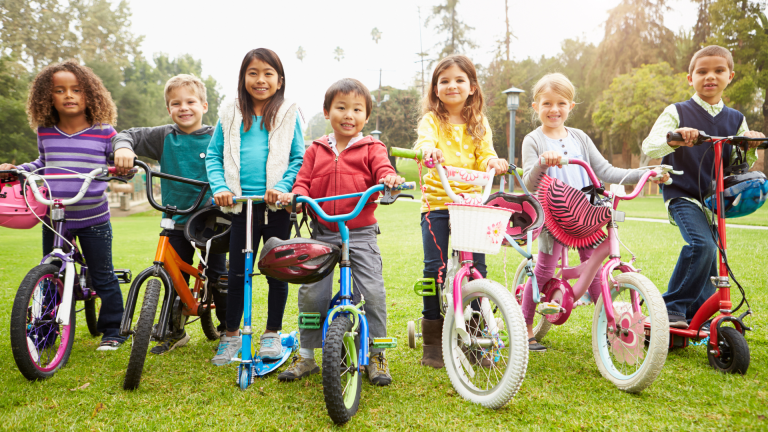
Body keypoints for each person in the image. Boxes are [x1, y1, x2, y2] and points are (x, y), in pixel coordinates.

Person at [275, 78, 403, 386]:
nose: (349, 115)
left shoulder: (372, 147)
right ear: (327, 111)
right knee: (311, 294)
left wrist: (389, 178)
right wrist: (295, 195)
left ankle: (377, 355)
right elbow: (303, 181)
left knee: (371, 293)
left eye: (357, 109)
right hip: (322, 231)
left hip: (360, 232)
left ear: (366, 117)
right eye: (341, 108)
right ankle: (305, 356)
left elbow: (383, 169)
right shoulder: (316, 149)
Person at [521, 73, 658, 352]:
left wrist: (647, 172)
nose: (554, 109)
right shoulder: (533, 140)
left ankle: (609, 327)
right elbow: (527, 182)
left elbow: (606, 171)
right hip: (550, 214)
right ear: (536, 107)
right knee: (545, 268)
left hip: (586, 212)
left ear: (571, 106)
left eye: (561, 103)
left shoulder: (580, 138)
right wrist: (542, 164)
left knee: (595, 268)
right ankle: (524, 325)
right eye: (547, 103)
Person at [0, 60, 127, 350]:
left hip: (93, 216)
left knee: (103, 275)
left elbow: (117, 161)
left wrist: (123, 166)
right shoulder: (46, 131)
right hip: (55, 216)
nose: (68, 95)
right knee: (51, 274)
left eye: (76, 89)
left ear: (90, 95)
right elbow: (44, 163)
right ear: (48, 97)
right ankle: (46, 330)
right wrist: (18, 169)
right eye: (60, 90)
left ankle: (113, 331)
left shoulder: (103, 131)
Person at [642, 45, 765, 329]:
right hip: (682, 193)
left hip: (715, 199)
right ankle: (671, 308)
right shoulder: (678, 111)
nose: (710, 76)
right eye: (702, 71)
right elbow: (650, 144)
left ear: (730, 76)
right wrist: (675, 138)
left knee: (716, 256)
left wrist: (750, 142)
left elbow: (743, 163)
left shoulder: (735, 119)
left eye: (718, 71)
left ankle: (698, 316)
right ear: (690, 78)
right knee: (702, 245)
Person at [112, 74, 227, 354]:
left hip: (211, 218)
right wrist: (124, 148)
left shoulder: (217, 137)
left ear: (204, 106)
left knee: (219, 274)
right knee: (175, 275)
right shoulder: (163, 136)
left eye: (191, 102)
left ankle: (228, 330)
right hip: (175, 217)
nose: (184, 108)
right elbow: (127, 134)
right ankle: (175, 330)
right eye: (176, 103)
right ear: (168, 109)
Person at [205, 48, 304, 366]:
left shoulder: (288, 113)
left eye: (267, 73)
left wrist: (284, 187)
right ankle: (231, 335)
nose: (260, 79)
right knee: (237, 273)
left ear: (279, 80)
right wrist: (220, 188)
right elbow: (214, 156)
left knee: (277, 270)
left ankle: (272, 334)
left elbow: (298, 158)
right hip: (240, 207)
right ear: (243, 77)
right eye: (253, 73)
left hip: (275, 209)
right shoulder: (230, 113)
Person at [413, 55, 509, 369]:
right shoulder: (431, 121)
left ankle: (477, 333)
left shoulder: (478, 123)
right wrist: (429, 151)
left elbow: (486, 154)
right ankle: (432, 335)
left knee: (477, 267)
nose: (452, 85)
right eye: (444, 81)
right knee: (434, 269)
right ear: (435, 89)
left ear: (471, 87)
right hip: (438, 204)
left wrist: (493, 163)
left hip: (471, 204)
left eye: (459, 80)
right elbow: (424, 143)